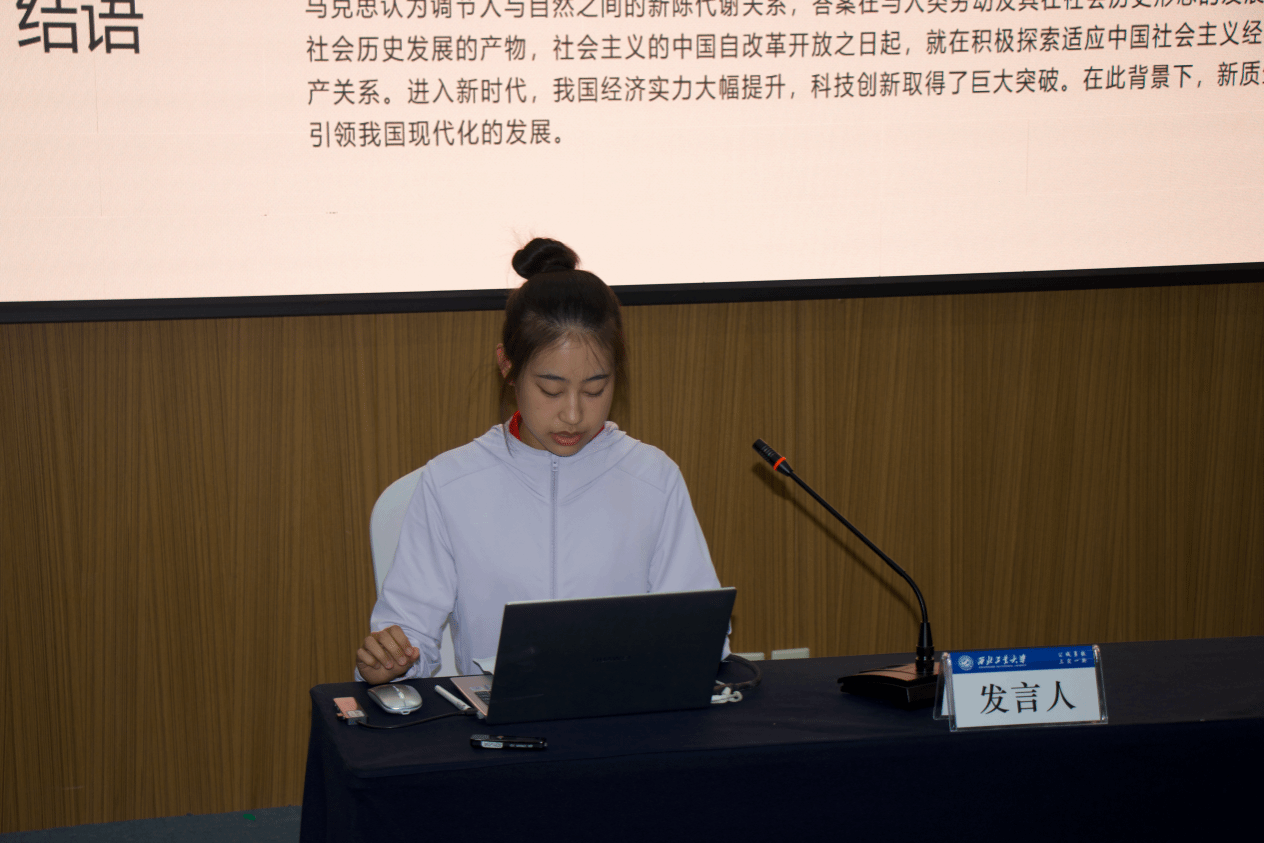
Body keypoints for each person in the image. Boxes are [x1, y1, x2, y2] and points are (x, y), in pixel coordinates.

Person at [355, 238, 726, 684]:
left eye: (595, 389)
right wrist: (389, 661)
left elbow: (701, 633)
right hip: (496, 722)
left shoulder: (653, 478)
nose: (573, 414)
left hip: (623, 715)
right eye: (551, 389)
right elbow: (407, 633)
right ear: (507, 366)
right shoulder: (450, 483)